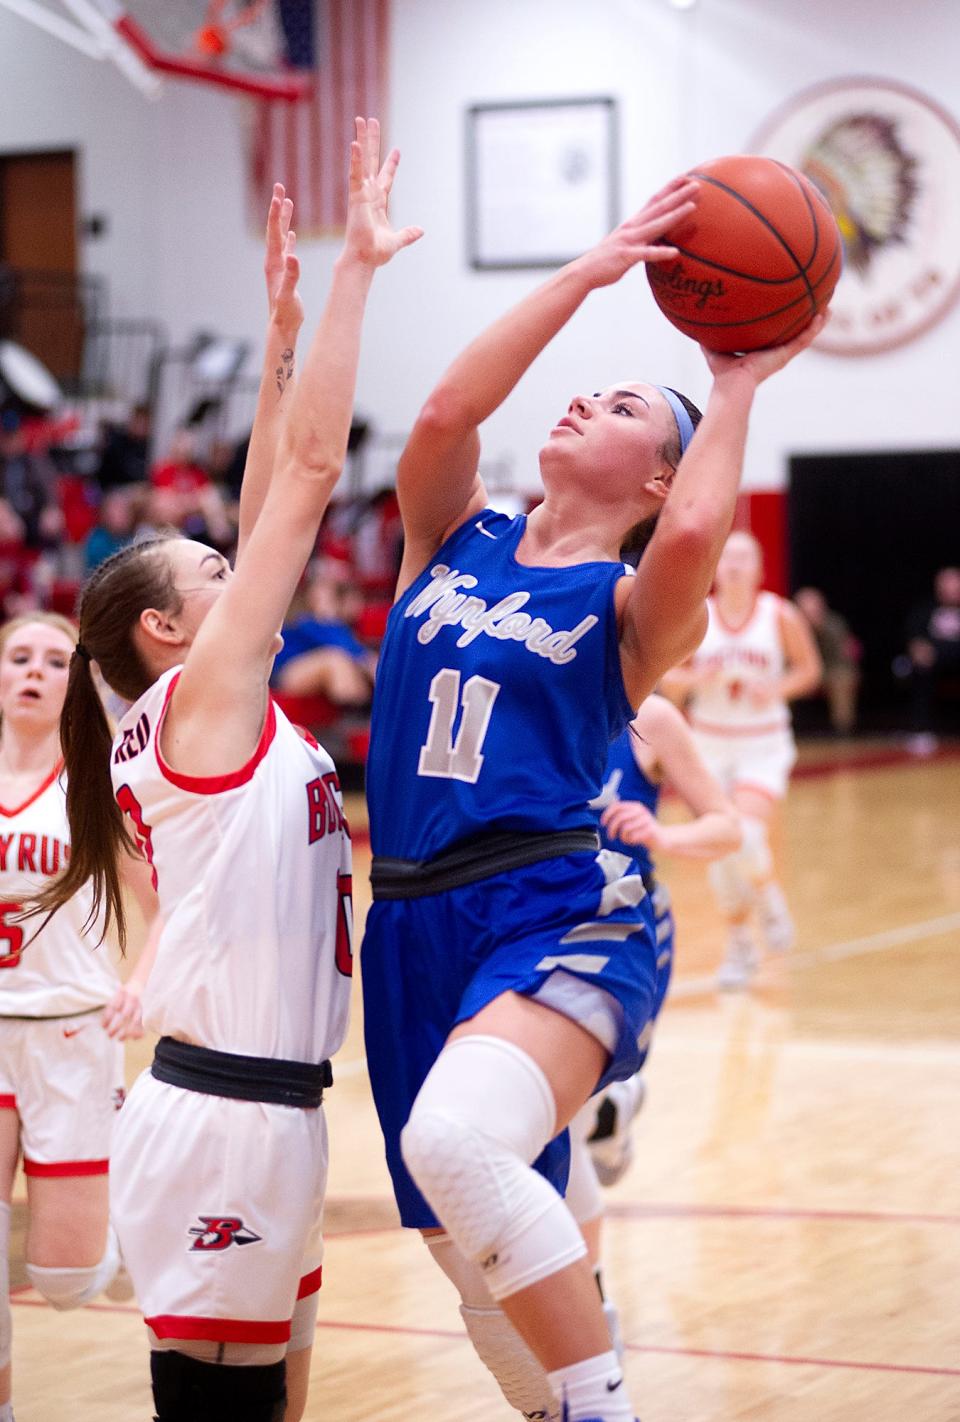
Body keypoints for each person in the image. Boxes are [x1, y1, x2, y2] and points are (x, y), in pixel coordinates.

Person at [359, 164, 824, 1422]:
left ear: (662, 478)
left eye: (623, 405)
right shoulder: (455, 538)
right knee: (474, 1263)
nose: (583, 399)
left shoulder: (629, 609)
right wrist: (592, 268)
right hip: (405, 921)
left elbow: (688, 544)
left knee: (456, 1147)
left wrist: (730, 388)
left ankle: (605, 1402)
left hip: (552, 904)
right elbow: (449, 410)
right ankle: (572, 1399)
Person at [29, 121, 420, 1422]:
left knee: (276, 1404)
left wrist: (282, 326)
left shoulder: (195, 709)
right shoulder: (201, 706)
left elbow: (264, 503)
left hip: (268, 1108)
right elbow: (305, 479)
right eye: (209, 574)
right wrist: (359, 265)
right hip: (223, 1117)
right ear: (168, 633)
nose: (236, 567)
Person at [0, 611, 158, 1422]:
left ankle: (127, 1211)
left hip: (73, 1032)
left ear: (78, 685)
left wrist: (143, 984)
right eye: (18, 656)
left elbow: (166, 904)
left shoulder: (95, 788)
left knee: (66, 1280)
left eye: (54, 661)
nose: (32, 671)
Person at [567, 693, 741, 1360]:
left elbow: (725, 826)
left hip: (629, 929)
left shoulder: (653, 719)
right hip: (540, 928)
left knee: (562, 1124)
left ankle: (593, 1306)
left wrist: (665, 836)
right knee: (561, 1124)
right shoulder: (533, 693)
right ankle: (616, 1109)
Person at [663, 531, 822, 990]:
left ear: (758, 569)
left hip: (761, 744)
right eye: (726, 558)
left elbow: (809, 671)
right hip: (708, 745)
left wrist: (775, 689)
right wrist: (696, 678)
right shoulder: (699, 615)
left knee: (746, 833)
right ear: (715, 567)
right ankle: (739, 943)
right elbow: (668, 679)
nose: (732, 566)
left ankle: (769, 899)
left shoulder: (780, 614)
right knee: (720, 845)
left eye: (742, 559)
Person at [271, 560, 376, 706]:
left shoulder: (337, 624)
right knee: (335, 660)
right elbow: (339, 646)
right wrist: (326, 610)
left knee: (364, 660)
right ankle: (355, 716)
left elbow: (355, 651)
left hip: (312, 671)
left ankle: (371, 713)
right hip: (283, 673)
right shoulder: (304, 618)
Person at [899, 565, 960, 754]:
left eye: (954, 584)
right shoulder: (925, 609)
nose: (949, 589)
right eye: (945, 584)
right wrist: (917, 648)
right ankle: (921, 730)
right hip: (932, 662)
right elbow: (913, 637)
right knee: (920, 667)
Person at [794, 586, 861, 735]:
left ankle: (842, 730)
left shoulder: (834, 623)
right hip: (799, 671)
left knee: (843, 677)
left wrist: (819, 628)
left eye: (814, 608)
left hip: (828, 669)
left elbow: (841, 657)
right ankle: (782, 727)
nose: (810, 613)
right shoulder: (789, 624)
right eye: (805, 609)